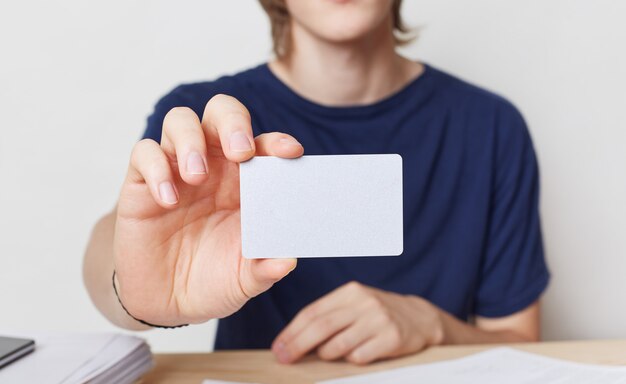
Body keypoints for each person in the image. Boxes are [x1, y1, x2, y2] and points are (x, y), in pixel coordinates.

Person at [83, 0, 549, 365]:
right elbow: (121, 250)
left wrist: (433, 327)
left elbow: (520, 342)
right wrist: (137, 290)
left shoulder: (491, 126)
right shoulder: (202, 120)